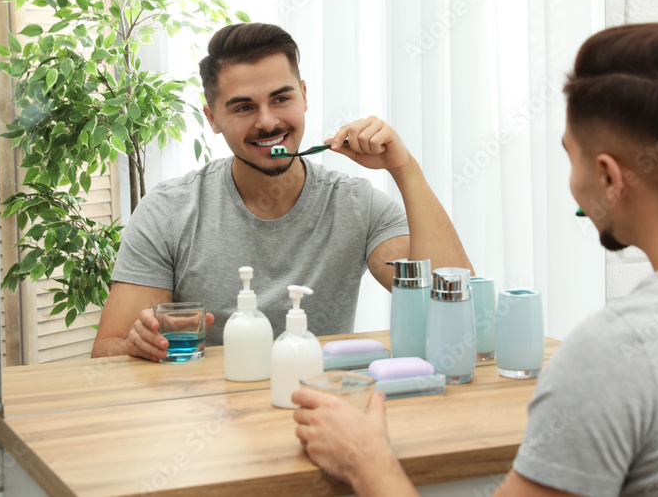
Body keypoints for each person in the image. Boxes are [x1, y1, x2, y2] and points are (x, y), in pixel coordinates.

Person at [291, 22, 658, 496]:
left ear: (607, 176)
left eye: (571, 156)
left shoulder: (617, 352)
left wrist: (365, 461)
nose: (572, 180)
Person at [92, 23, 473, 360]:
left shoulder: (357, 206)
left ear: (304, 96)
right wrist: (136, 345)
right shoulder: (168, 211)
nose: (268, 121)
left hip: (321, 415)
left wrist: (404, 169)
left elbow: (452, 308)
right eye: (243, 107)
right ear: (212, 119)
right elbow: (107, 350)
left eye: (281, 98)